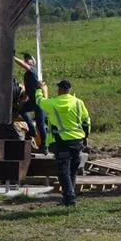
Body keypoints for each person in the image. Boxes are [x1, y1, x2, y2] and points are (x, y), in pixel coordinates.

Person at [37, 79, 91, 207]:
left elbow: (39, 101)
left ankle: (70, 196)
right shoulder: (78, 103)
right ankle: (68, 198)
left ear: (59, 90)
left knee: (63, 171)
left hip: (62, 142)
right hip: (77, 141)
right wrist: (86, 136)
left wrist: (40, 89)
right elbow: (86, 121)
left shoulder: (53, 103)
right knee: (72, 170)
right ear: (70, 90)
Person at [13, 53, 47, 154]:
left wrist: (13, 57)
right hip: (33, 101)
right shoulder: (27, 75)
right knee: (22, 110)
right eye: (25, 59)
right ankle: (31, 129)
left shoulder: (33, 70)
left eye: (29, 59)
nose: (26, 60)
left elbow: (24, 65)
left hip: (40, 101)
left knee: (40, 124)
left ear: (34, 62)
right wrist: (22, 101)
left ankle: (44, 146)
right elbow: (27, 91)